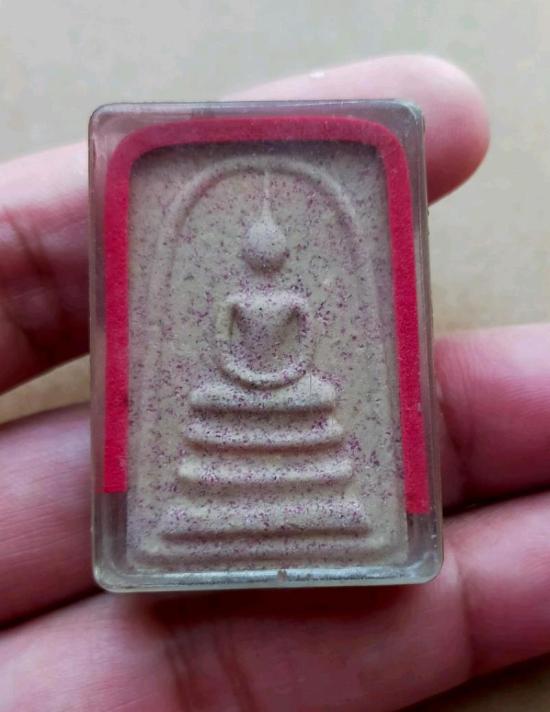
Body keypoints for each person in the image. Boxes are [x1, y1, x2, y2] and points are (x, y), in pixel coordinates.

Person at [0, 55, 548, 711]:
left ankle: (318, 512)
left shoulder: (293, 299)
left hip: (290, 385)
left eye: (272, 250)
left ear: (281, 254)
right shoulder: (236, 299)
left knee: (316, 402)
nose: (265, 257)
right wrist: (244, 376)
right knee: (210, 406)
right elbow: (224, 347)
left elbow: (304, 348)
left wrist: (283, 376)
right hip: (235, 385)